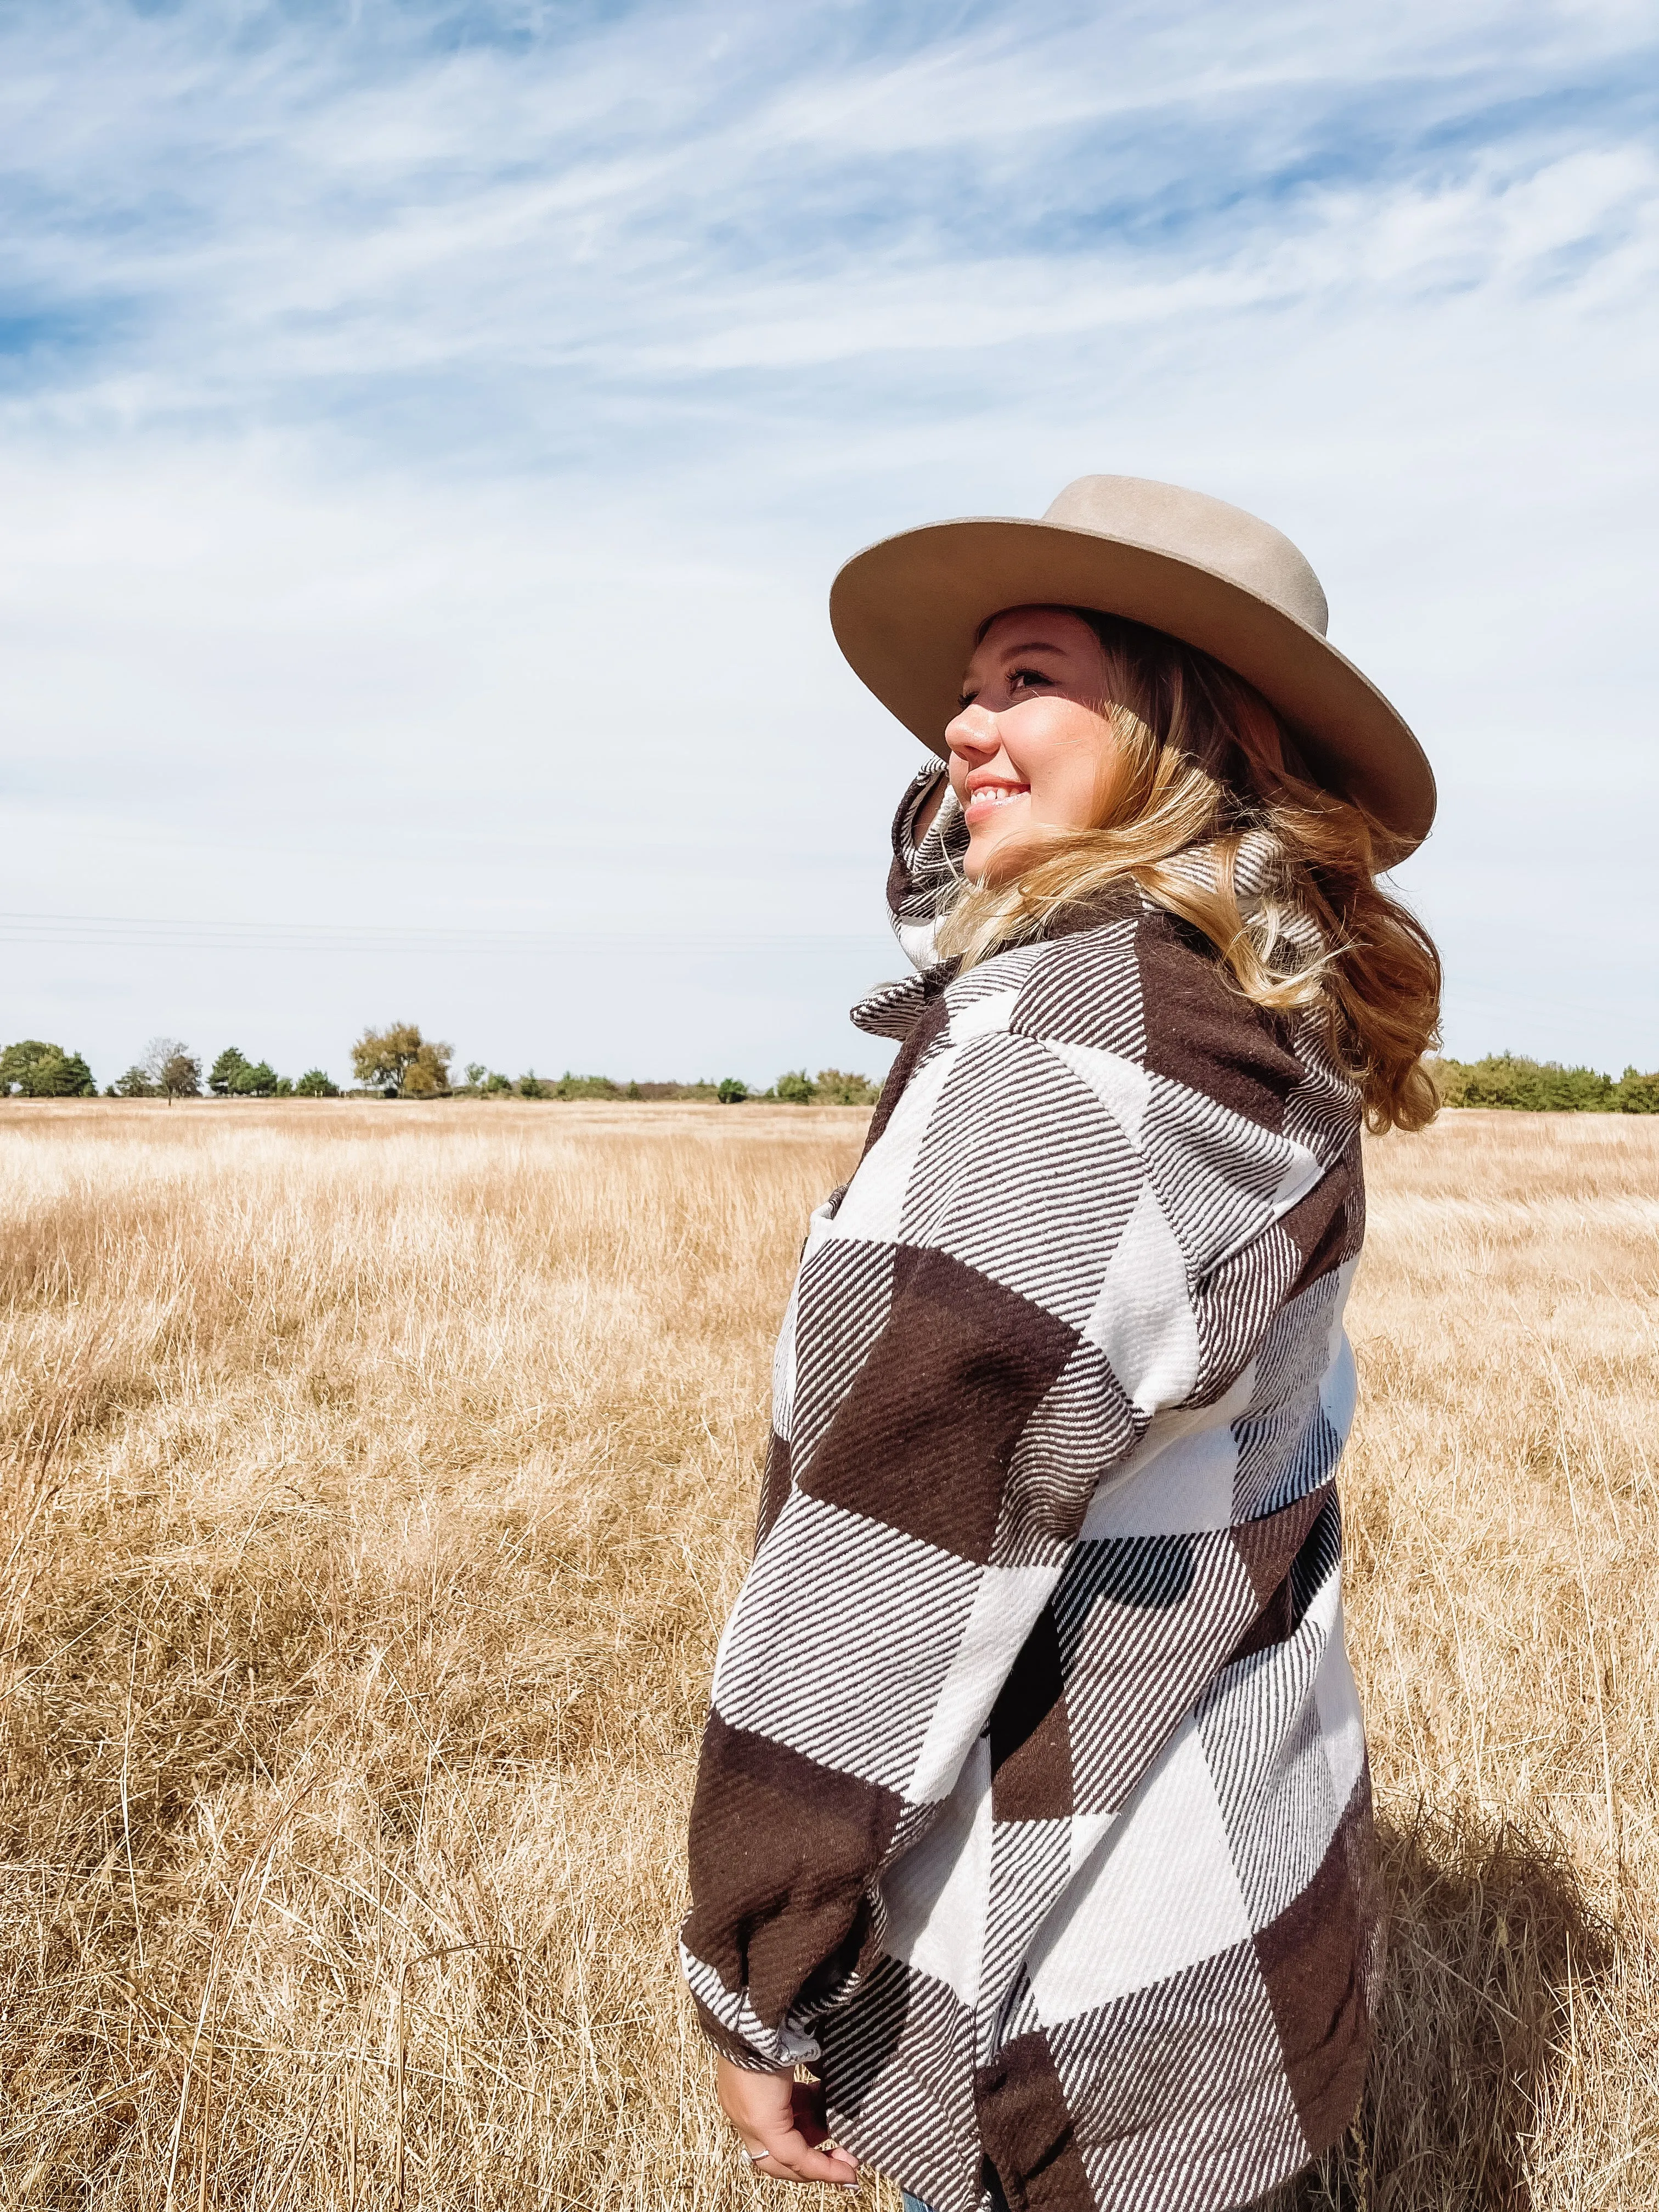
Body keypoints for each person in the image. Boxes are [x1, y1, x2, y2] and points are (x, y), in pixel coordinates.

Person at [681, 476, 1441, 2212]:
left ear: (1199, 723)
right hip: (1238, 1917)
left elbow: (894, 1551)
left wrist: (761, 1965)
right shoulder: (1244, 1015)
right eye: (967, 689)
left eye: (1026, 677)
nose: (962, 728)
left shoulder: (1065, 1055)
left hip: (1068, 1989)